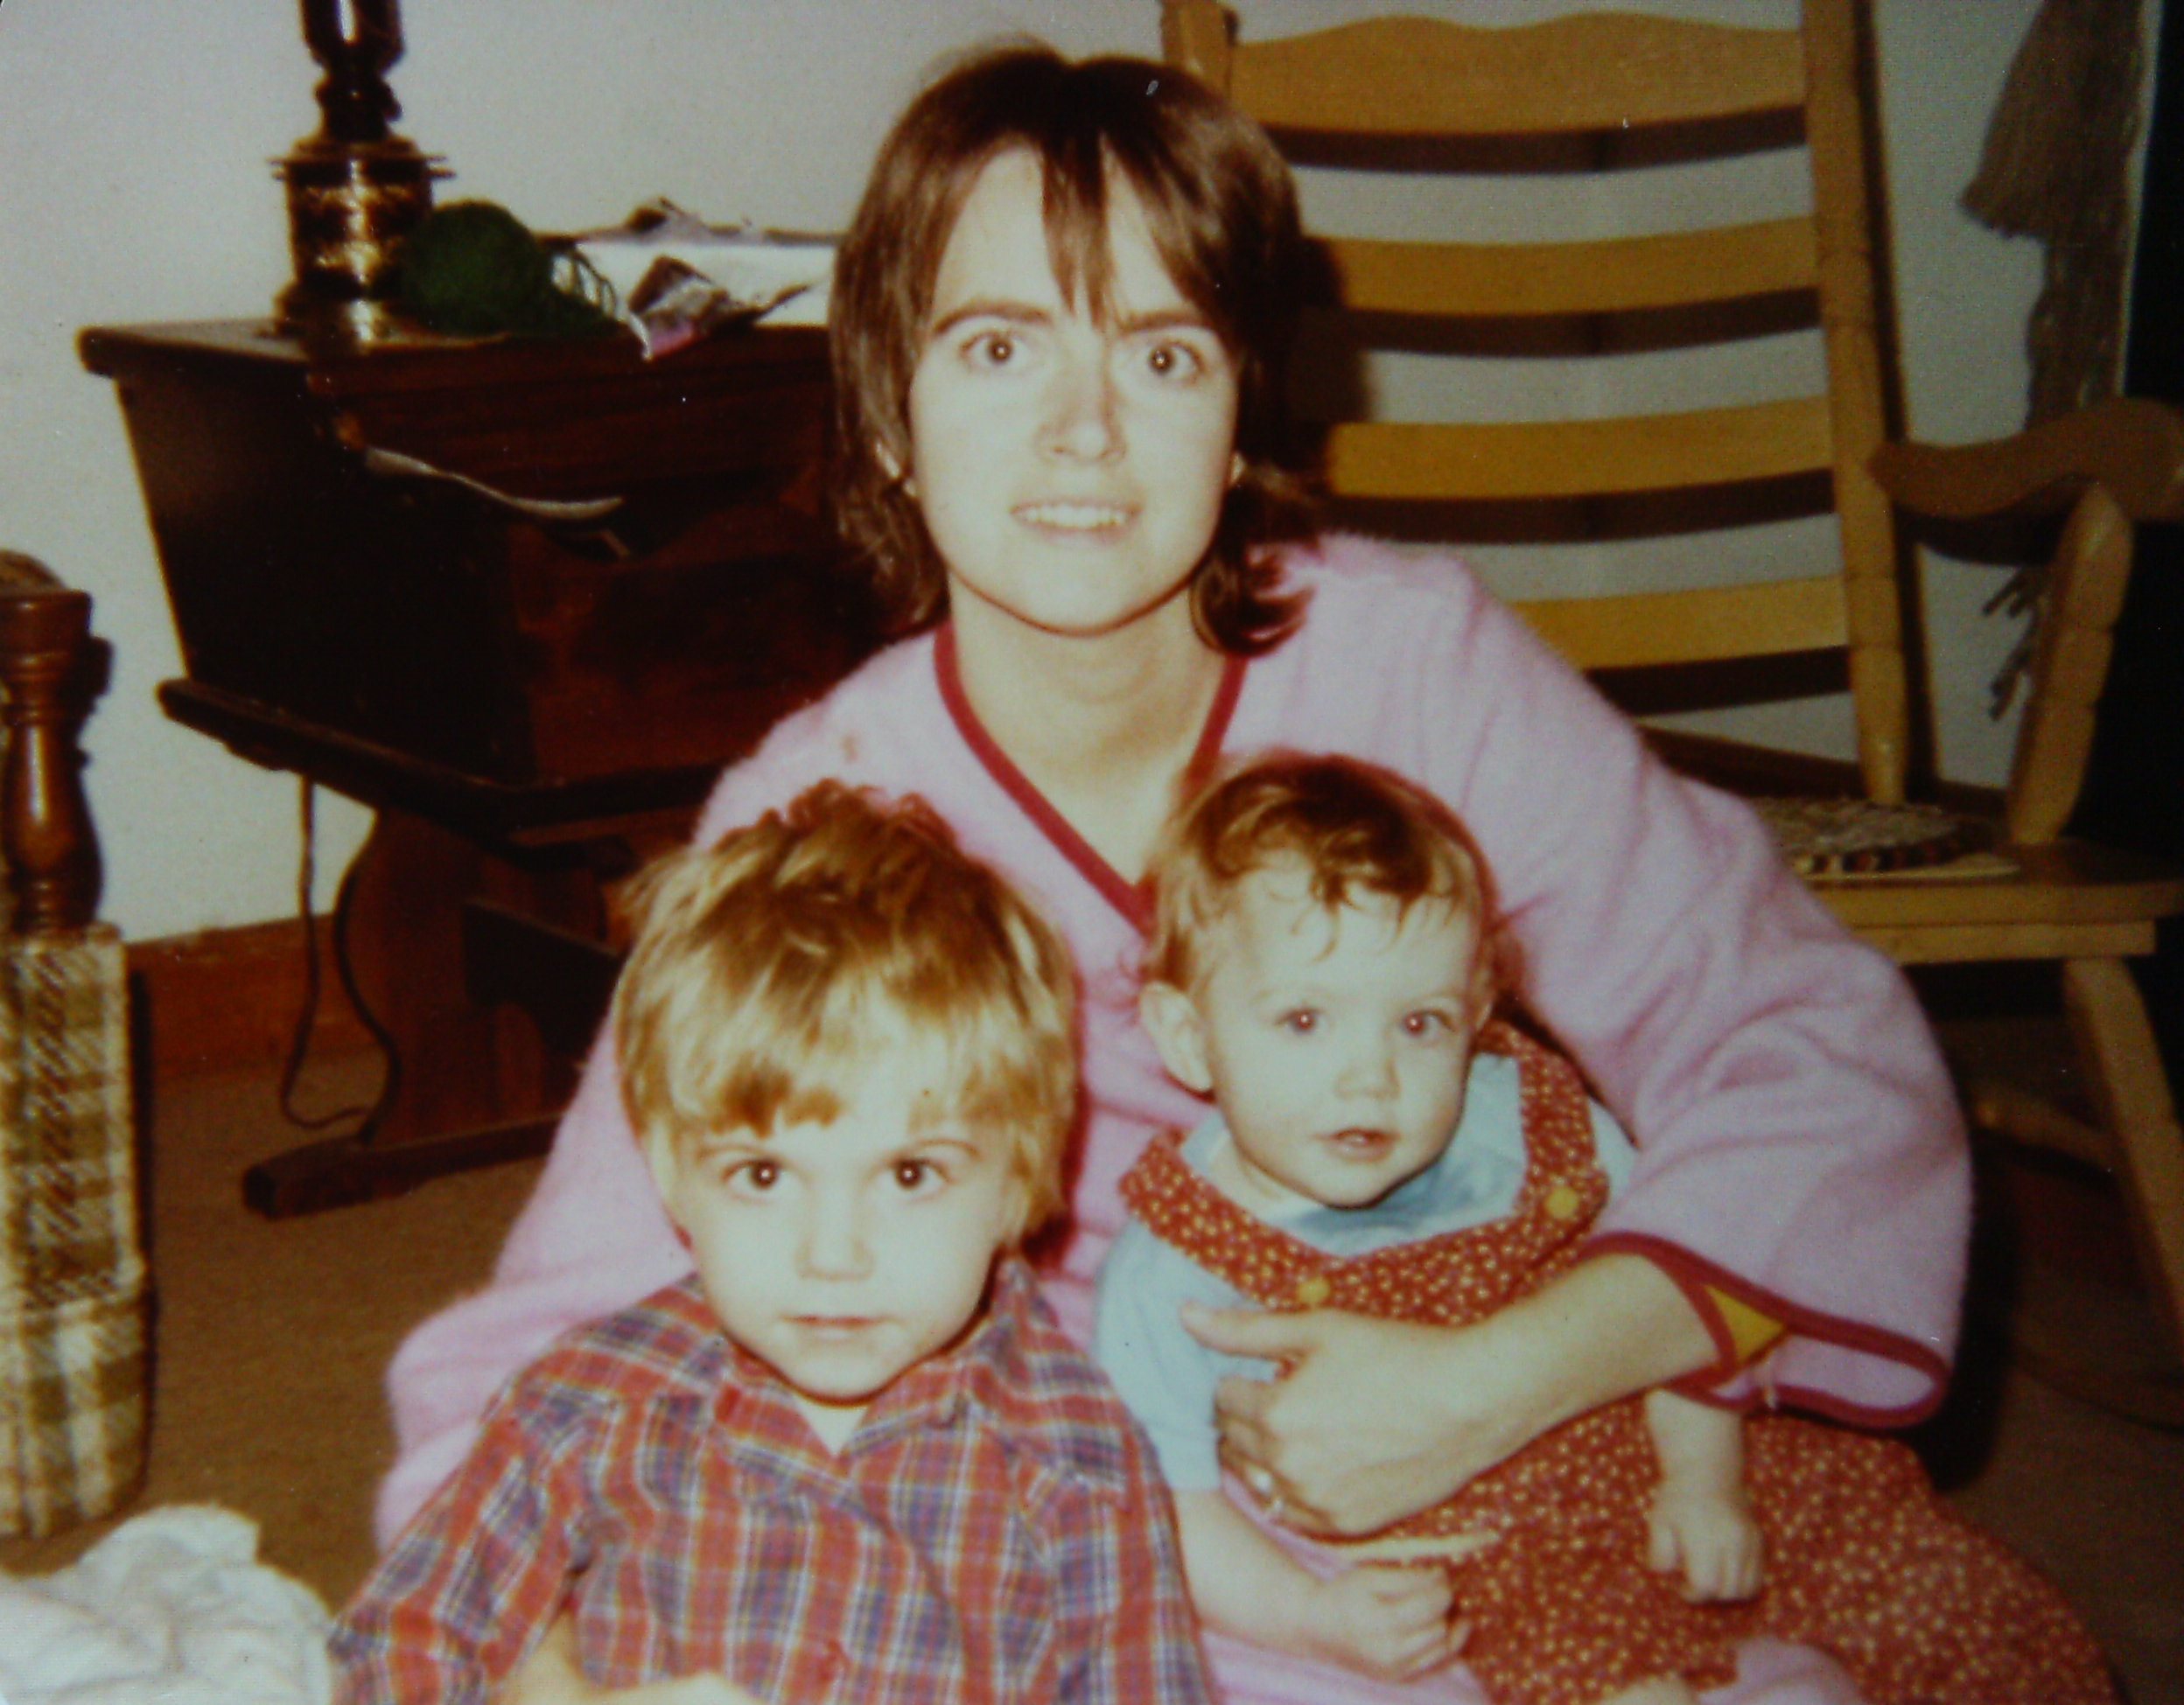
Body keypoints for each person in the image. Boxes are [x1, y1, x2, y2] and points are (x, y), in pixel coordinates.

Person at [377, 42, 1973, 1705]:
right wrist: (544, 1674)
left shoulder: (1421, 666)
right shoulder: (814, 817)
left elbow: (1815, 1054)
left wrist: (1495, 1380)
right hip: (1122, 1510)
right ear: (893, 419)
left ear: (1238, 420)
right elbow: (555, 1323)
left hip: (1543, 1405)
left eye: (1160, 353)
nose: (1084, 431)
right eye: (1000, 347)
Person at [1096, 752, 2114, 1705]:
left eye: (1419, 1022)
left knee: (1944, 1596)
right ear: (1188, 1035)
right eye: (1304, 1020)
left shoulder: (1526, 1118)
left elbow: (1670, 1279)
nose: (1371, 1076)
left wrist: (1706, 1476)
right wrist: (1316, 1619)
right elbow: (1177, 1509)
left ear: (1477, 1009)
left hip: (1668, 1458)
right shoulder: (1175, 1260)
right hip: (1496, 1572)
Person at [332, 783, 1212, 1704]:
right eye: (762, 1174)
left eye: (911, 1174)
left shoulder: (1076, 1452)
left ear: (1020, 1177)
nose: (832, 1254)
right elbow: (389, 1649)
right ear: (671, 1172)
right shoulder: (589, 1399)